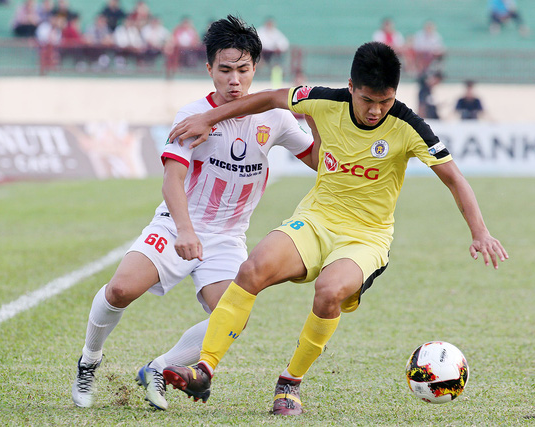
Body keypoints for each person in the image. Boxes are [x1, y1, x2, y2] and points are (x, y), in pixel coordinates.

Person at [163, 41, 508, 415]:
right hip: (314, 220)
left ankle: (290, 382)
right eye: (366, 100)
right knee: (251, 270)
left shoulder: (410, 126)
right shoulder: (324, 99)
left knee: (328, 292)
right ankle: (205, 368)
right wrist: (210, 118)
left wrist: (480, 232)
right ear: (350, 87)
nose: (376, 110)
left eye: (385, 101)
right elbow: (270, 98)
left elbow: (455, 179)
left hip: (365, 237)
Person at [71, 14, 320, 410]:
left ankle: (160, 367)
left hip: (227, 237)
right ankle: (89, 360)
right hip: (177, 225)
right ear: (209, 69)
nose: (234, 80)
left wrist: (316, 121)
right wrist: (186, 231)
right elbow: (172, 180)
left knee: (232, 315)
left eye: (243, 69)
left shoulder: (274, 118)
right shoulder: (193, 115)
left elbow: (320, 162)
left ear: (256, 67)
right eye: (224, 70)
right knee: (120, 289)